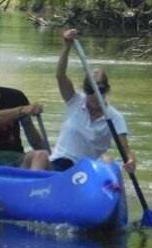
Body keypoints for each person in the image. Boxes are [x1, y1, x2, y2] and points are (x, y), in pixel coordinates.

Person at [48, 29, 137, 173]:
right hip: (59, 163)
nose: (95, 95)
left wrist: (131, 161)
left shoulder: (114, 118)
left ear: (107, 90)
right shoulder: (74, 100)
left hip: (85, 170)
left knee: (108, 162)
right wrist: (67, 46)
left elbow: (126, 151)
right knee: (39, 157)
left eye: (99, 90)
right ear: (84, 90)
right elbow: (60, 75)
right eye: (90, 90)